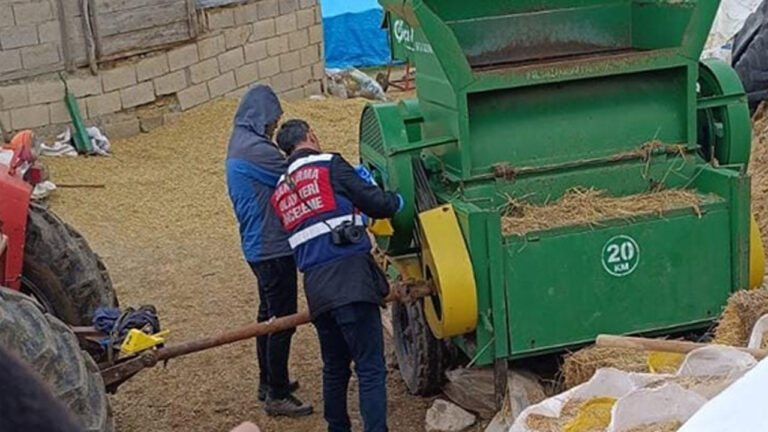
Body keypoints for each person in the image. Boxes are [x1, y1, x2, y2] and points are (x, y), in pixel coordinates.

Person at [271, 119, 402, 432]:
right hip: (351, 280)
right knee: (370, 367)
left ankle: (337, 427)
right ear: (311, 136)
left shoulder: (279, 190)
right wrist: (397, 201)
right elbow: (375, 203)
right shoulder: (329, 164)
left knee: (334, 367)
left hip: (316, 288)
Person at [225, 85, 312, 417]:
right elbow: (297, 173)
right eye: (272, 122)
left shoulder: (241, 142)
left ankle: (268, 380)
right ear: (259, 118)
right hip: (271, 248)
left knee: (267, 317)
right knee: (282, 321)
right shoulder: (257, 151)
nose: (274, 128)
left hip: (257, 246)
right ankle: (276, 394)